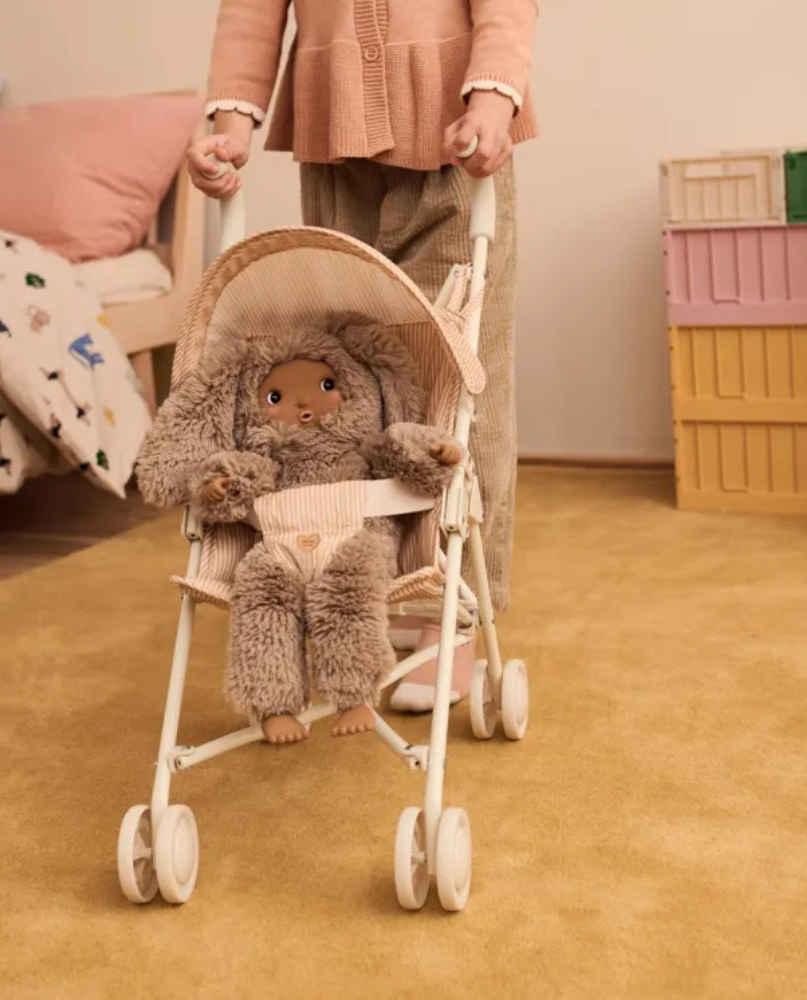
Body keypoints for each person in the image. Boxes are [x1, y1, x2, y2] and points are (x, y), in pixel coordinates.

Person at [187, 0, 538, 712]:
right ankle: (372, 578)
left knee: (457, 382)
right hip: (335, 141)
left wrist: (493, 98)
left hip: (456, 143)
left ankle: (451, 609)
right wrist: (229, 125)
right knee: (351, 385)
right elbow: (251, 12)